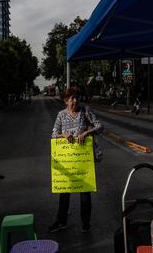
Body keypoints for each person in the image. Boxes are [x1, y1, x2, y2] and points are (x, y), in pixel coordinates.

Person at [49, 87, 103, 233]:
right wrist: (64, 135)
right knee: (64, 190)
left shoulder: (85, 111)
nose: (74, 101)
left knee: (85, 192)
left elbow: (100, 126)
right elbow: (54, 134)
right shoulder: (61, 115)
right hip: (67, 160)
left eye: (76, 97)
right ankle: (61, 221)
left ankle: (86, 224)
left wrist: (86, 132)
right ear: (65, 101)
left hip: (83, 160)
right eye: (71, 98)